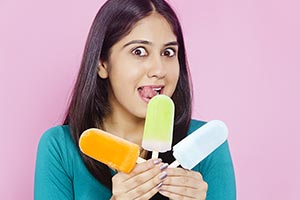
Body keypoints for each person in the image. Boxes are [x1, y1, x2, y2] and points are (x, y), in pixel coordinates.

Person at [34, 0, 236, 199]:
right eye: (138, 51)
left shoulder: (206, 144)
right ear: (102, 64)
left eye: (168, 52)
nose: (159, 70)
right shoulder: (59, 147)